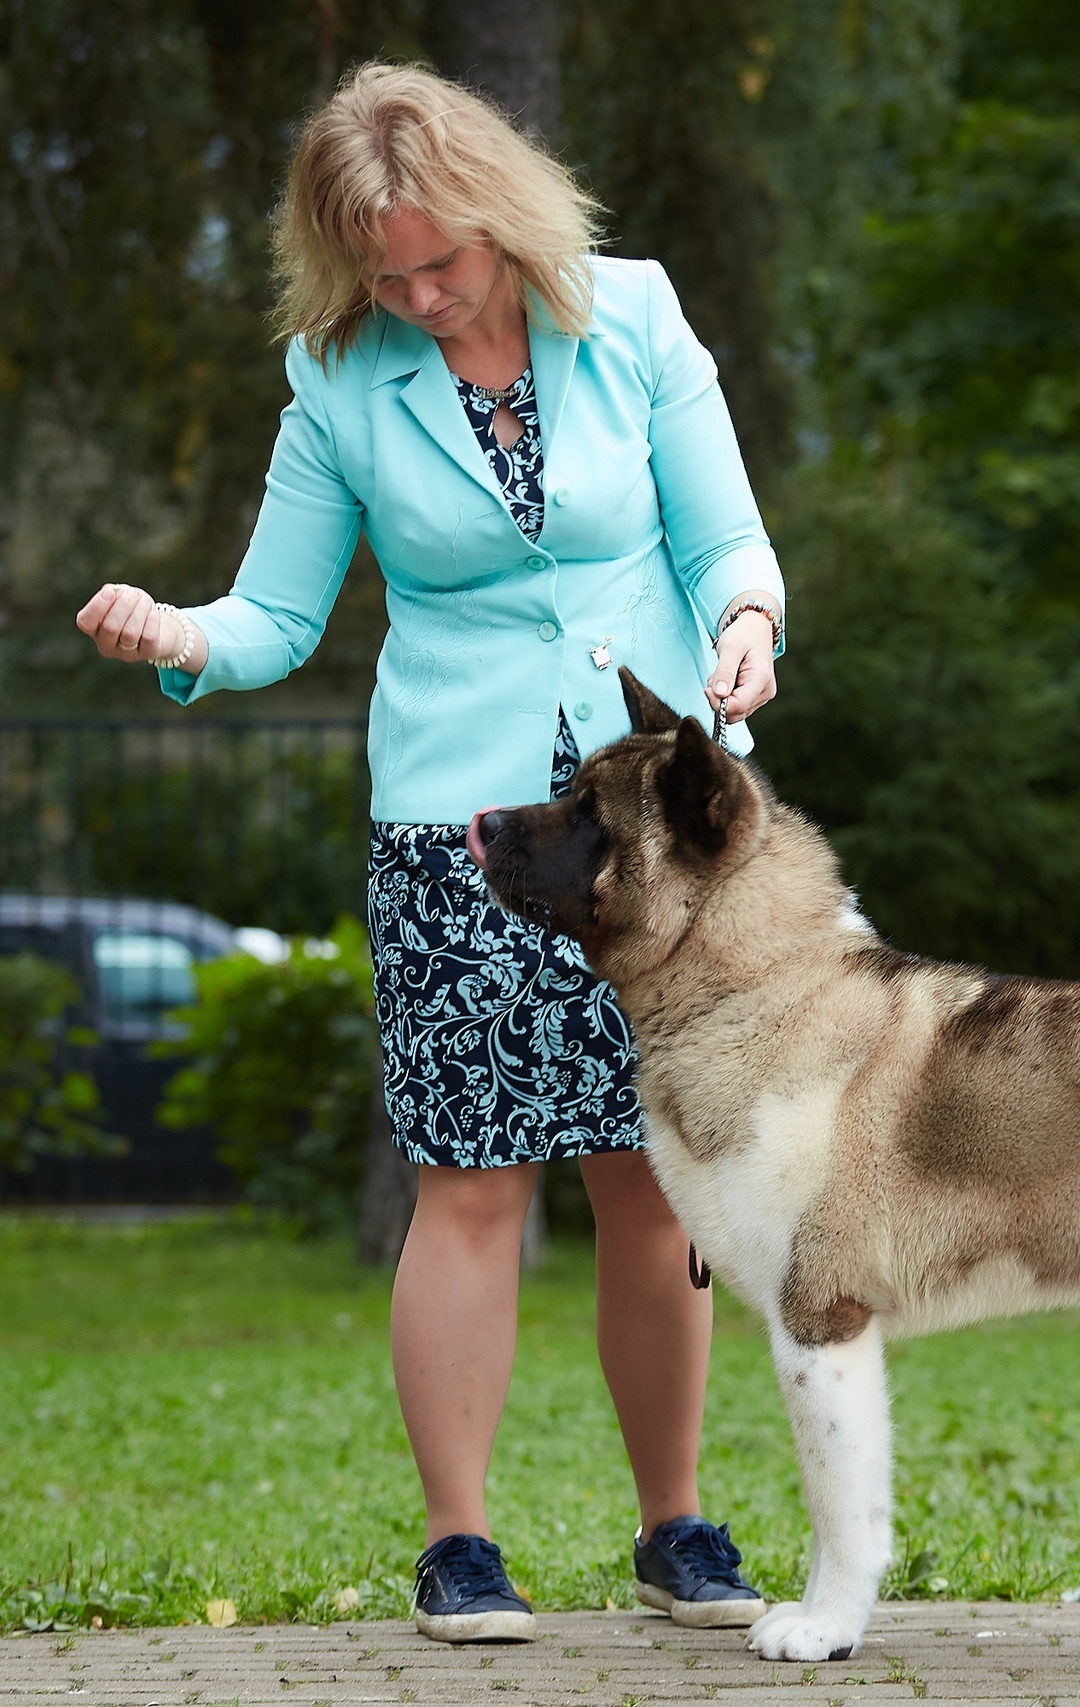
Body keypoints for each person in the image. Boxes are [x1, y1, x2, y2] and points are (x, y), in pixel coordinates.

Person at [75, 62, 783, 1644]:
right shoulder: (340, 381)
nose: (418, 291)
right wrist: (176, 631)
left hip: (652, 831)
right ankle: (460, 1547)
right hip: (457, 832)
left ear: (504, 214)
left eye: (441, 260)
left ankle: (676, 1529)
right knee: (469, 1183)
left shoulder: (638, 316)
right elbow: (269, 617)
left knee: (654, 1184)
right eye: (383, 272)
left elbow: (723, 537)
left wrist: (747, 625)